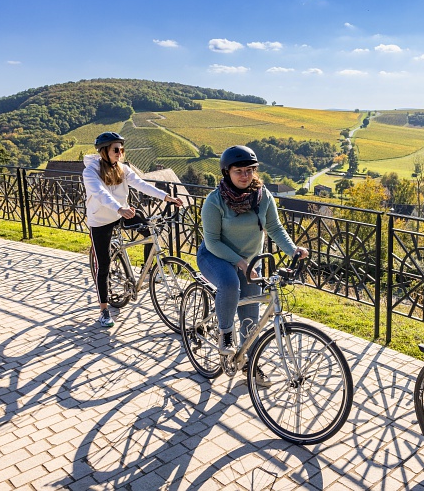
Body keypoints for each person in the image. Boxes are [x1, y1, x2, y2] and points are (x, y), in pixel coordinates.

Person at [197, 145, 308, 385]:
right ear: (227, 172)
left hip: (249, 261)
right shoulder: (214, 201)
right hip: (214, 256)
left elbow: (275, 228)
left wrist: (294, 250)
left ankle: (250, 364)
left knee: (251, 318)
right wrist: (241, 264)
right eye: (239, 171)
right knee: (229, 284)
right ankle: (225, 334)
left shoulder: (262, 195)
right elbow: (213, 241)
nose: (245, 175)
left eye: (249, 170)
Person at [83, 131, 183, 328]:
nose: (120, 152)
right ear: (104, 151)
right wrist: (119, 207)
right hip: (101, 219)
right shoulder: (91, 171)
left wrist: (166, 197)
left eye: (122, 149)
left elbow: (140, 184)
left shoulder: (122, 168)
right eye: (116, 149)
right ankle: (104, 309)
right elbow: (100, 193)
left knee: (149, 231)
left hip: (122, 213)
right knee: (103, 265)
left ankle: (144, 274)